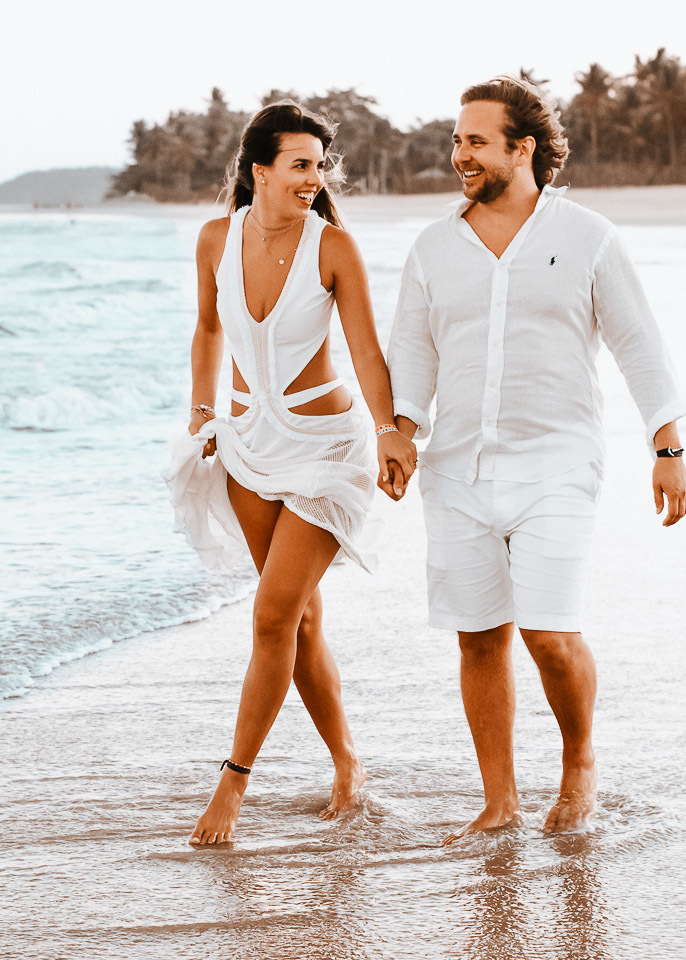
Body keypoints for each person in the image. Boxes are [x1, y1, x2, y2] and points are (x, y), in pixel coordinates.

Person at [386, 76, 686, 838]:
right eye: (456, 139)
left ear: (523, 149)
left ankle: (580, 762)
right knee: (479, 635)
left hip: (558, 461)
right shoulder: (432, 247)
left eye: (476, 141)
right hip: (456, 468)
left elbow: (638, 344)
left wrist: (669, 446)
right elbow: (412, 354)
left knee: (549, 632)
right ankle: (499, 801)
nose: (460, 154)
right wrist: (399, 430)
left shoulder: (586, 235)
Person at [166, 102, 416, 845]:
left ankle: (232, 786)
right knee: (299, 620)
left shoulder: (333, 247)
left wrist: (388, 432)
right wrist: (201, 412)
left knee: (272, 616)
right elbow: (209, 325)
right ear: (260, 169)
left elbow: (367, 352)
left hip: (328, 452)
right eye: (301, 164)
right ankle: (347, 762)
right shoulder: (217, 238)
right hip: (246, 447)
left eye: (320, 165)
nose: (315, 177)